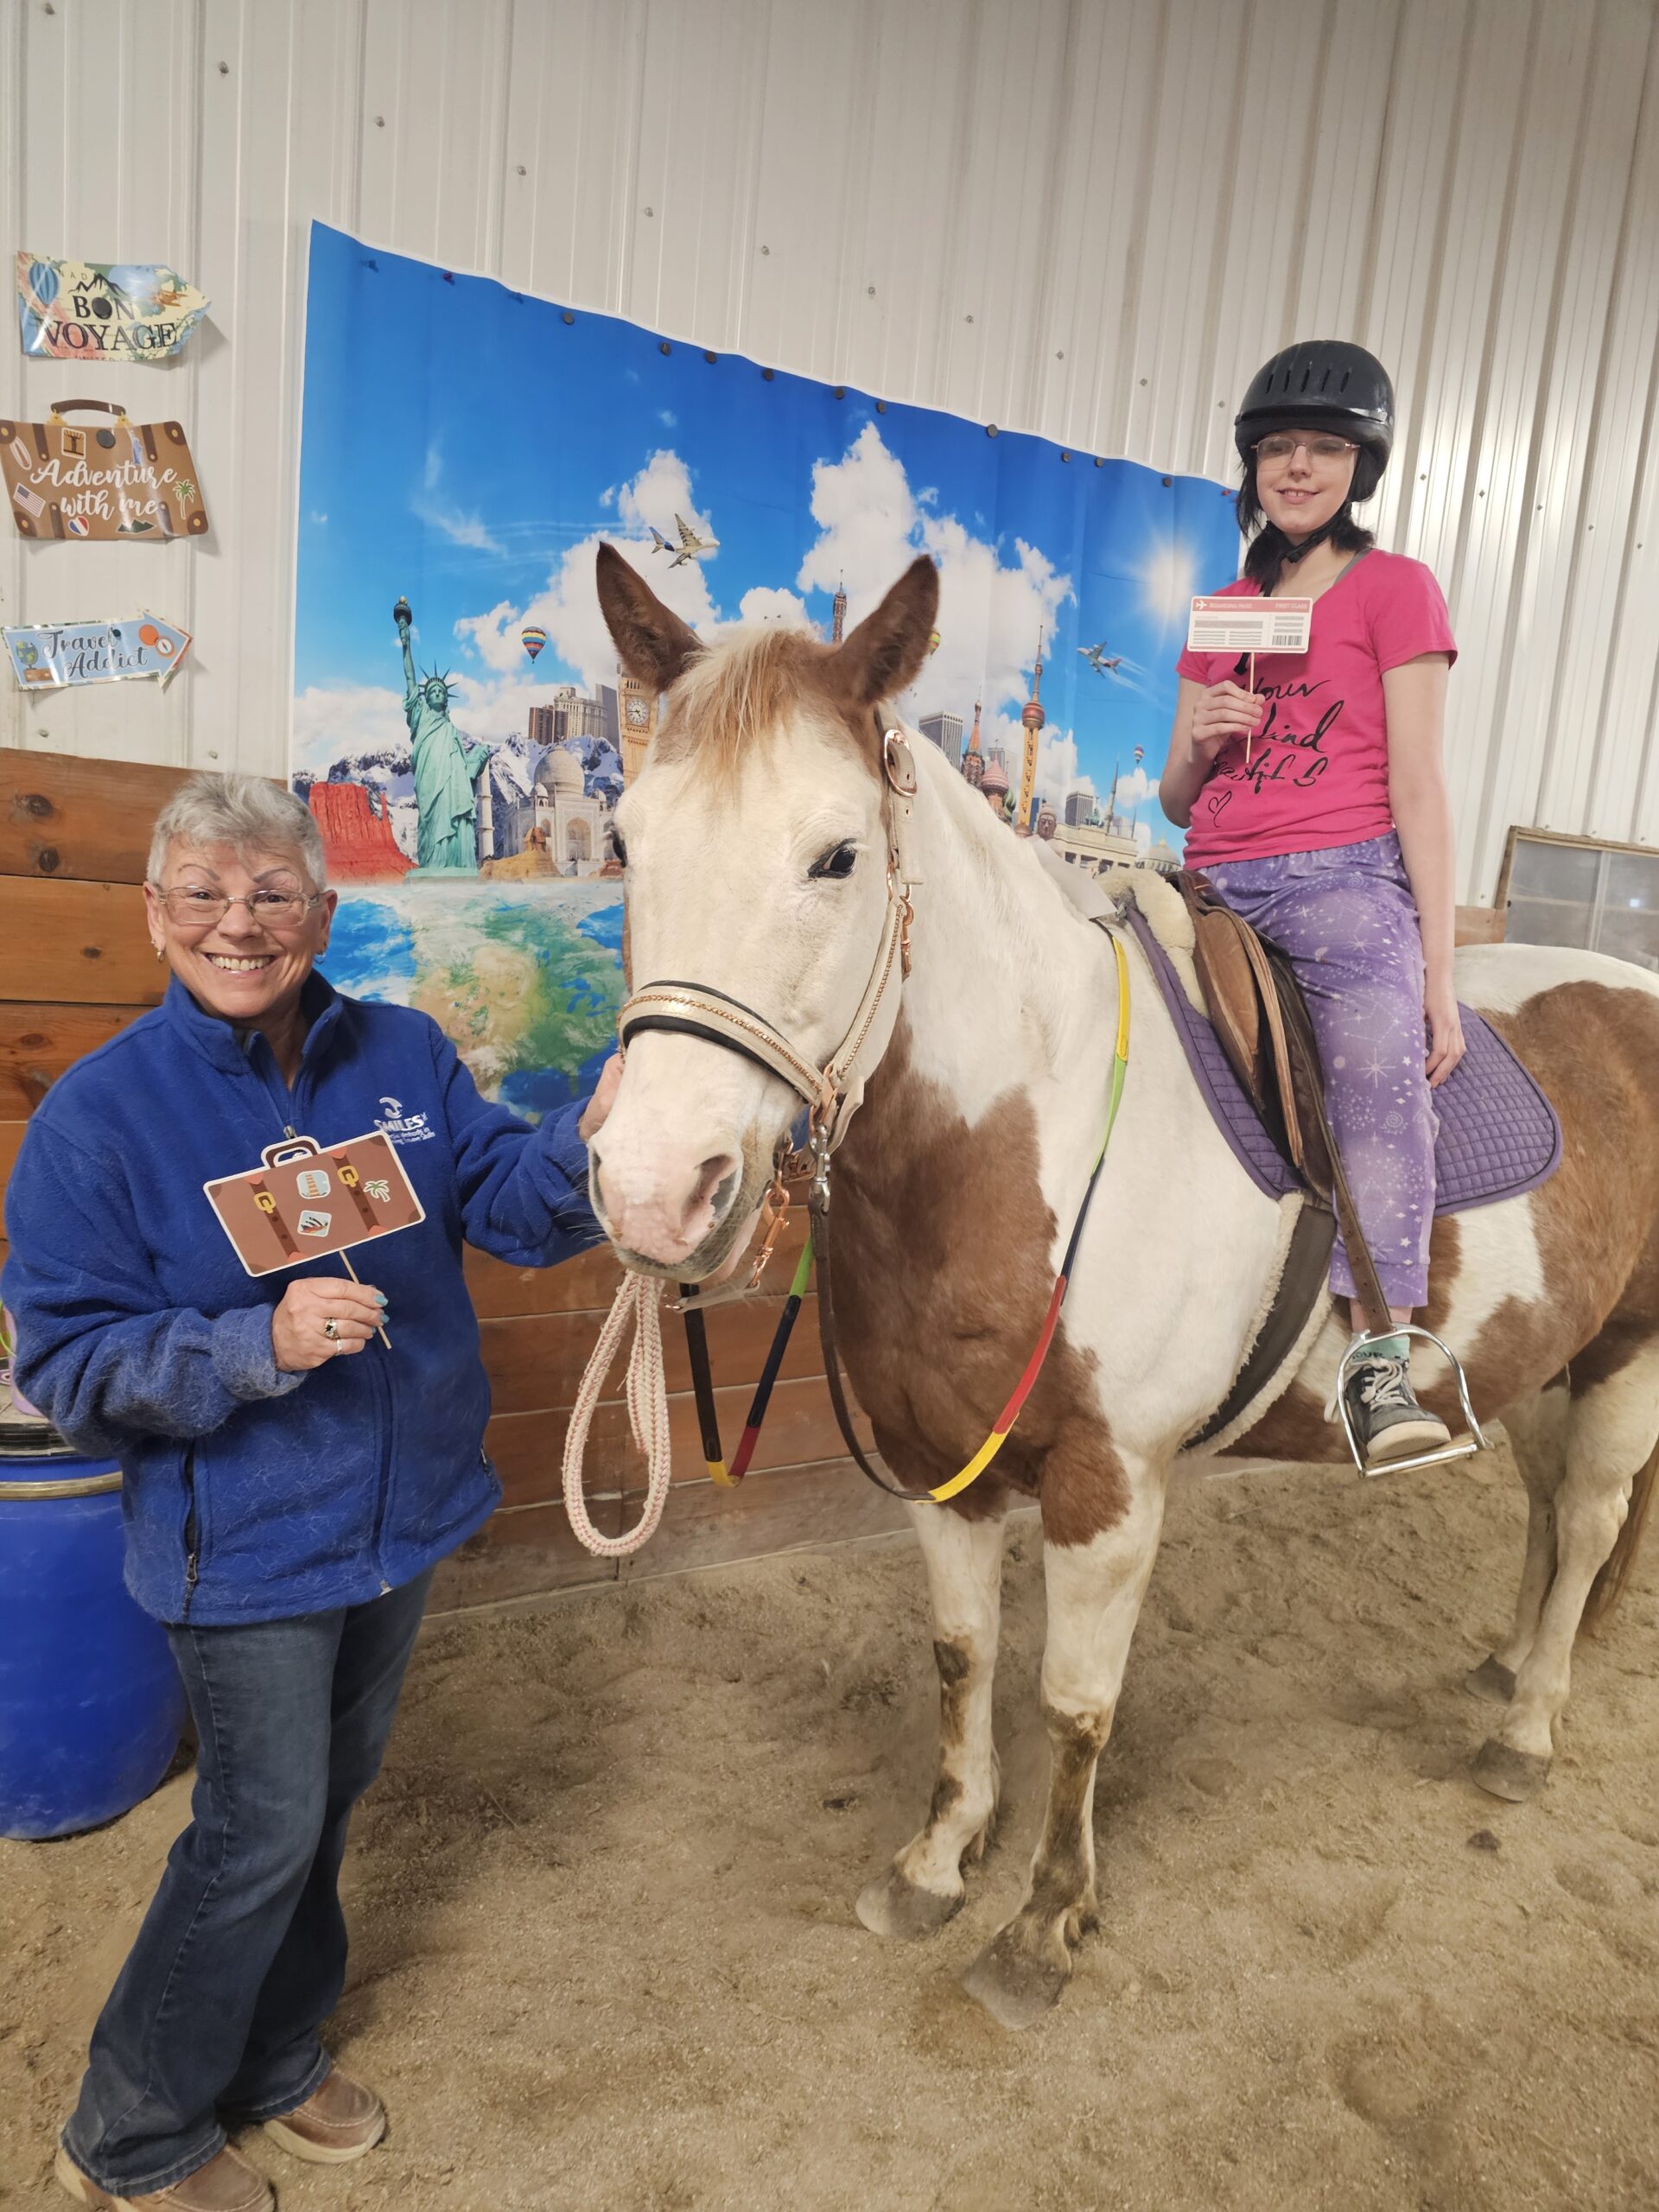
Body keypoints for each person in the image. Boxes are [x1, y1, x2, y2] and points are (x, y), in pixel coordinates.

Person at [3, 773, 620, 2212]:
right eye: (204, 896)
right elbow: (74, 1365)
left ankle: (275, 2055)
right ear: (156, 917)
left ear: (321, 913)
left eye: (271, 893)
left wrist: (596, 1136)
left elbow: (516, 1216)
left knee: (325, 1804)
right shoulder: (101, 1118)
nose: (239, 923)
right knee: (254, 1831)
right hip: (249, 1546)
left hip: (396, 1519)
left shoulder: (402, 1051)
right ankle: (132, 2134)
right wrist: (252, 1345)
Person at [1160, 339, 1462, 1468]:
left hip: (1340, 877)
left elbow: (1421, 786)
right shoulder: (1224, 609)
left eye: (1324, 448)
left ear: (1358, 466)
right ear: (1254, 463)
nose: (1298, 467)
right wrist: (1201, 740)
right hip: (1210, 872)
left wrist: (1438, 973)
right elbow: (1176, 794)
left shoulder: (1397, 590)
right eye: (1280, 448)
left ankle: (1381, 1360)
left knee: (1380, 1080)